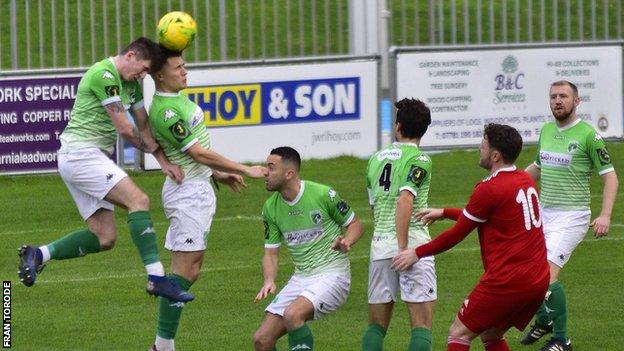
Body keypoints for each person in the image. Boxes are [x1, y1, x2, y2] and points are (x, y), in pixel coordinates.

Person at [17, 37, 193, 302]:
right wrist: (152, 146)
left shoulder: (132, 83)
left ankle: (38, 254)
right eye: (143, 68)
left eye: (147, 72)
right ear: (131, 55)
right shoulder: (105, 74)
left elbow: (143, 125)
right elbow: (125, 128)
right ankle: (157, 278)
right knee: (139, 200)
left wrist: (163, 160)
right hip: (80, 155)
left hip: (86, 158)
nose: (143, 75)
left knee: (104, 237)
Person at [146, 47, 267, 351]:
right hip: (187, 194)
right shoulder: (167, 111)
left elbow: (187, 155)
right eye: (178, 68)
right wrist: (244, 168)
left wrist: (217, 175)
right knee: (187, 271)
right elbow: (196, 152)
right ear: (160, 75)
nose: (185, 71)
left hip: (196, 188)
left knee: (189, 270)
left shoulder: (177, 100)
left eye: (185, 65)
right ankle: (162, 345)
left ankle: (162, 345)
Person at [392, 123, 550, 351]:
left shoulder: (489, 188)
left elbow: (457, 235)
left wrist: (416, 253)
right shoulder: (525, 180)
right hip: (537, 279)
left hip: (508, 281)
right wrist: (445, 212)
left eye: (483, 145)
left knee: (458, 333)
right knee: (491, 332)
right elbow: (488, 216)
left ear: (495, 155)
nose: (479, 148)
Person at [519, 80, 618, 351]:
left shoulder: (589, 136)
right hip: (544, 213)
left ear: (577, 101)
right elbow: (538, 167)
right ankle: (543, 321)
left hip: (572, 216)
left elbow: (610, 178)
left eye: (564, 96)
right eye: (553, 96)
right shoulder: (547, 131)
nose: (558, 101)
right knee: (527, 271)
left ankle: (562, 340)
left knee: (546, 276)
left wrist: (605, 215)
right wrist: (504, 181)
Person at [253, 146, 364, 351]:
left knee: (293, 315)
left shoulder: (323, 194)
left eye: (271, 167)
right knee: (262, 340)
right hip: (301, 278)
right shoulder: (270, 207)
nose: (264, 172)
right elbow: (270, 253)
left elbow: (355, 224)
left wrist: (347, 241)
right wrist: (269, 280)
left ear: (289, 173)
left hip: (333, 275)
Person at [361, 98, 436, 351]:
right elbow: (405, 199)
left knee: (376, 327)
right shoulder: (421, 159)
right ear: (424, 129)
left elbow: (374, 205)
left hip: (381, 246)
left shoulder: (374, 159)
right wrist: (404, 247)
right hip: (412, 247)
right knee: (421, 326)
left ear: (398, 126)